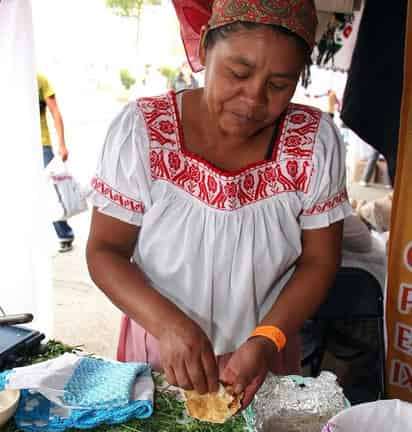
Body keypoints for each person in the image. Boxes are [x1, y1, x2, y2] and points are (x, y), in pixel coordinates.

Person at [86, 0, 352, 408]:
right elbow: (105, 251)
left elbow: (320, 259)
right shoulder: (143, 131)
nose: (252, 98)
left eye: (278, 85)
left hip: (264, 353)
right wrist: (169, 325)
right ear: (206, 49)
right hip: (161, 348)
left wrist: (267, 339)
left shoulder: (314, 142)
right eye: (238, 73)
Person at [37, 73, 74, 251]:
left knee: (52, 192)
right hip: (17, 147)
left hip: (41, 144)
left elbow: (55, 112)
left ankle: (64, 234)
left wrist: (62, 144)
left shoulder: (39, 79)